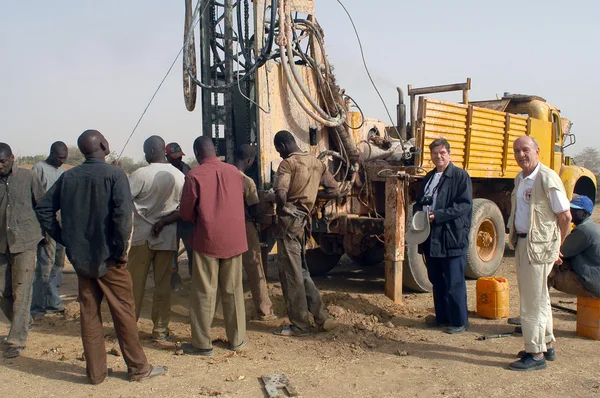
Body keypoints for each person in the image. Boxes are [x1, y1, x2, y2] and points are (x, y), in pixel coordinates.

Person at [35, 130, 167, 384]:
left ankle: (95, 374)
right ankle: (138, 368)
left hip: (81, 259)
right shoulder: (116, 175)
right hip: (110, 260)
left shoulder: (69, 176)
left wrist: (64, 238)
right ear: (105, 146)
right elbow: (121, 218)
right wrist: (119, 251)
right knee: (124, 313)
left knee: (89, 315)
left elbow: (43, 209)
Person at [507, 135, 571, 371]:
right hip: (523, 243)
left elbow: (565, 217)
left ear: (537, 150)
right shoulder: (520, 179)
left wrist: (557, 246)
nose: (520, 155)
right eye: (516, 151)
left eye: (525, 150)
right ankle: (547, 343)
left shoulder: (547, 178)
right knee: (540, 297)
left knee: (531, 302)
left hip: (539, 248)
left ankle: (535, 354)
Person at [178, 136, 247, 356]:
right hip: (235, 239)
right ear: (215, 150)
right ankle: (236, 340)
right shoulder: (235, 172)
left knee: (204, 292)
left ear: (197, 153)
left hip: (207, 239)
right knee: (233, 290)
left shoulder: (194, 175)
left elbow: (186, 214)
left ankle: (202, 343)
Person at [272, 130, 339, 337]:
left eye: (279, 150)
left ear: (283, 145)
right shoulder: (317, 163)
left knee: (291, 275)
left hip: (289, 223)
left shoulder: (287, 164)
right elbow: (334, 190)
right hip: (304, 221)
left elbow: (281, 193)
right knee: (301, 271)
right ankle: (322, 317)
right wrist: (311, 195)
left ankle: (300, 325)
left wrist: (284, 206)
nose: (280, 154)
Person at [127, 136, 185, 341]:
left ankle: (128, 329)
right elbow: (183, 210)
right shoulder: (179, 176)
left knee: (134, 285)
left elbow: (124, 202)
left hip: (141, 237)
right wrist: (164, 222)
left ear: (151, 151)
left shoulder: (139, 174)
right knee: (163, 285)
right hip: (168, 238)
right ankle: (160, 330)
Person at [414, 138, 472, 335]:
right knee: (437, 279)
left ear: (449, 154)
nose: (438, 156)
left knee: (454, 280)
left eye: (442, 153)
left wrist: (436, 215)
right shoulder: (429, 177)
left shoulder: (459, 176)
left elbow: (463, 205)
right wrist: (418, 215)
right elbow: (419, 201)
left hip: (451, 236)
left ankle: (459, 321)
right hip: (431, 236)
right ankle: (442, 318)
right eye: (435, 154)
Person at [0, 143, 45, 358]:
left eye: (3, 161)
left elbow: (43, 205)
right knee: (3, 292)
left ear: (12, 158)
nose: (0, 166)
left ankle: (16, 340)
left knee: (22, 292)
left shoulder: (28, 178)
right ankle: (23, 322)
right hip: (1, 244)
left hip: (25, 242)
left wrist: (48, 234)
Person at [235, 144, 275, 321]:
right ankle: (264, 311)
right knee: (254, 265)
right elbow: (254, 209)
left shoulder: (222, 174)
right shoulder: (246, 181)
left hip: (221, 226)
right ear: (250, 160)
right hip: (243, 225)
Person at [30, 141, 68, 321]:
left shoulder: (62, 172)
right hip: (47, 226)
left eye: (64, 158)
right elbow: (36, 200)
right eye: (60, 157)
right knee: (44, 266)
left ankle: (52, 301)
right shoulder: (39, 168)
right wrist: (42, 229)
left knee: (58, 265)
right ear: (52, 153)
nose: (62, 161)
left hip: (61, 226)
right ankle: (37, 307)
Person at [548, 195, 600, 298]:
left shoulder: (583, 231)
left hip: (593, 284)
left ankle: (540, 308)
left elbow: (560, 252)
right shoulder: (591, 227)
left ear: (584, 213)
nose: (570, 211)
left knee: (546, 272)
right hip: (595, 278)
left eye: (575, 210)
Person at [166, 142, 193, 291]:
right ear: (167, 157)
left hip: (186, 218)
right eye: (173, 157)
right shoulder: (164, 172)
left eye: (178, 157)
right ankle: (174, 279)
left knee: (191, 248)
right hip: (170, 217)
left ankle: (193, 275)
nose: (177, 160)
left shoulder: (186, 169)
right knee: (172, 250)